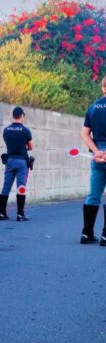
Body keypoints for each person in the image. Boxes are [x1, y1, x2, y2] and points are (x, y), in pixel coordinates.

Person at [80, 75, 106, 245]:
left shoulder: (93, 107)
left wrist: (97, 152)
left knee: (93, 194)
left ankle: (86, 233)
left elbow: (84, 134)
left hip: (96, 157)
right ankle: (105, 236)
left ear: (103, 87)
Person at [0, 106, 34, 221]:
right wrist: (23, 147)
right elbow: (31, 147)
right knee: (21, 187)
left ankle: (2, 213)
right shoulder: (25, 131)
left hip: (10, 160)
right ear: (22, 116)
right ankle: (20, 214)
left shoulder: (6, 130)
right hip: (21, 162)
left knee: (6, 186)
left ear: (13, 116)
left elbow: (8, 144)